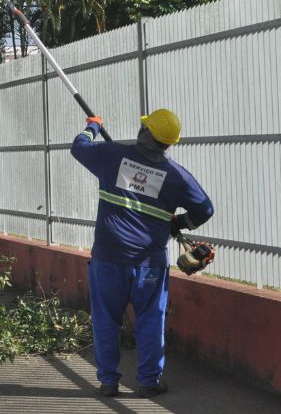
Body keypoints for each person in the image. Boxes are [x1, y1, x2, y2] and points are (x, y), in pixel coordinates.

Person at [70, 108, 214, 399]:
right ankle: (149, 382)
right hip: (150, 262)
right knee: (150, 319)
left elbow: (79, 147)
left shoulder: (112, 156)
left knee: (106, 319)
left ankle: (108, 381)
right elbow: (205, 209)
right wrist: (178, 223)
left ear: (145, 133)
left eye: (145, 126)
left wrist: (93, 126)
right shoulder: (177, 177)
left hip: (108, 258)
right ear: (169, 142)